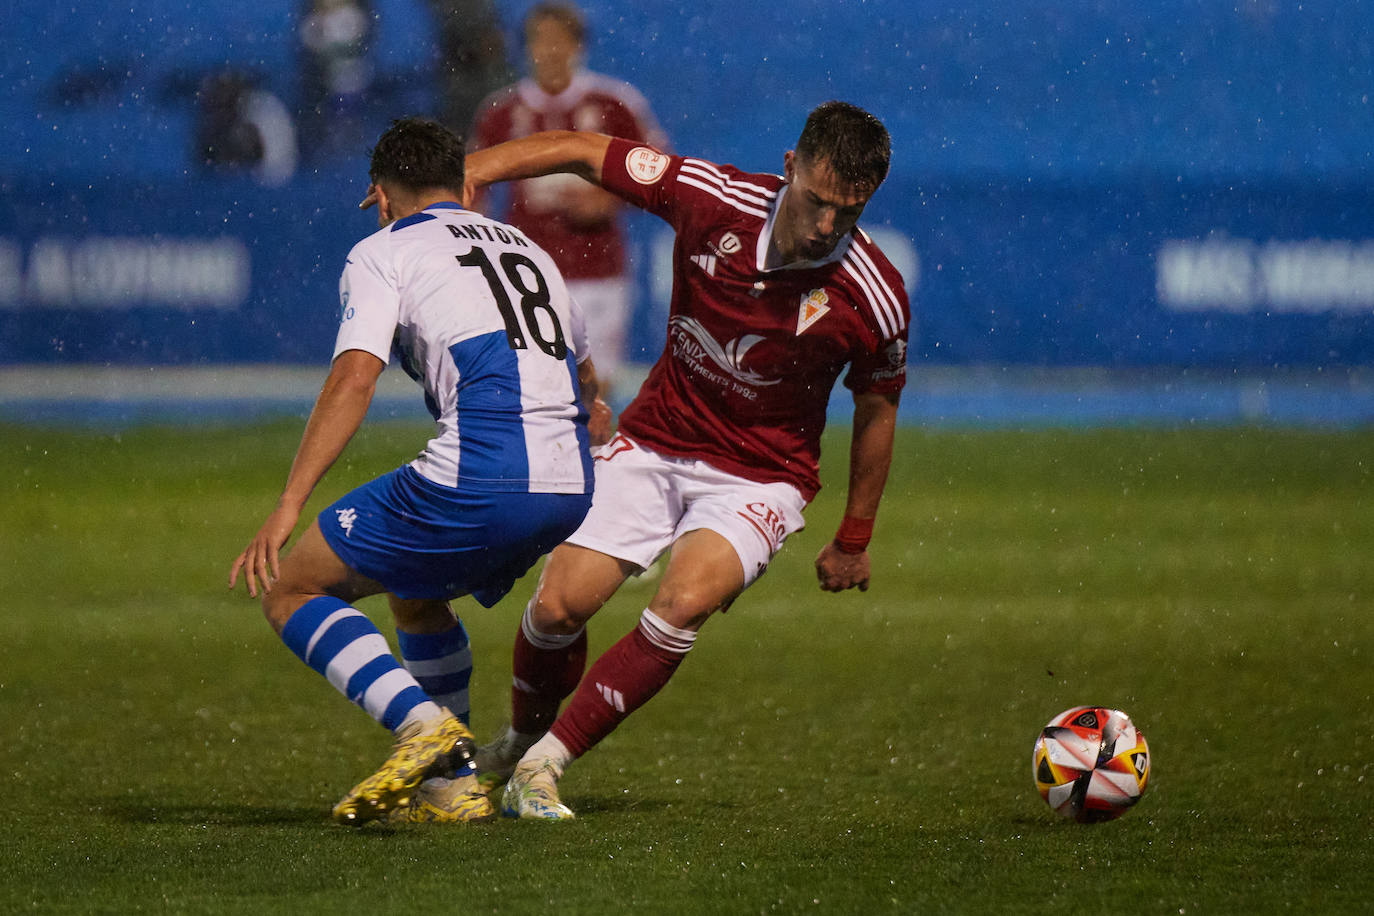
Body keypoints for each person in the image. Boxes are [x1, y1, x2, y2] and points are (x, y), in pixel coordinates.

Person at [461, 101, 910, 819]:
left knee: (682, 602)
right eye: (818, 202)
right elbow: (584, 149)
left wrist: (855, 535)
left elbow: (878, 407)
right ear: (789, 169)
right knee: (555, 608)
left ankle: (546, 766)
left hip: (761, 477)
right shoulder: (710, 196)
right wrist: (472, 171)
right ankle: (518, 739)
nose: (827, 226)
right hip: (656, 440)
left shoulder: (875, 296)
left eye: (849, 212)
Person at [228, 116, 610, 826]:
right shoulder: (527, 246)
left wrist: (288, 503)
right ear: (464, 182)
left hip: (486, 475)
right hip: (568, 485)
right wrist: (593, 410)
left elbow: (354, 378)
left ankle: (422, 727)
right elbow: (583, 369)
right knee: (413, 590)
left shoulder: (383, 251)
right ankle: (454, 789)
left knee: (291, 585)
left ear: (379, 193)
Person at [469, 1, 669, 401]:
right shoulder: (501, 110)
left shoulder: (615, 103)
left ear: (579, 46)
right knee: (528, 384)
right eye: (540, 40)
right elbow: (472, 184)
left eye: (560, 40)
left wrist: (609, 199)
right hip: (525, 270)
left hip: (598, 266)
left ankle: (590, 462)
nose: (550, 50)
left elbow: (659, 171)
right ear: (526, 47)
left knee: (595, 387)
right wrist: (481, 244)